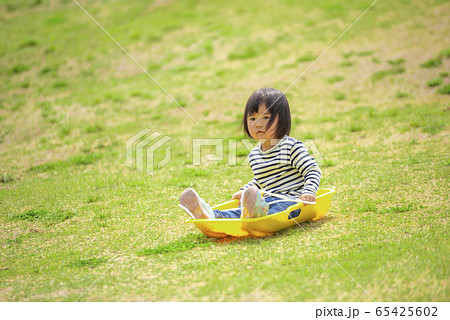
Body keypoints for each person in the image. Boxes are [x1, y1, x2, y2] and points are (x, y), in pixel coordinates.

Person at [179, 87, 322, 219]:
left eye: (265, 117)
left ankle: (257, 213)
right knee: (239, 211)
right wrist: (245, 190)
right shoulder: (255, 155)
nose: (258, 124)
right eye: (252, 118)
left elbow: (312, 170)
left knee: (278, 208)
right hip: (267, 201)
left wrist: (308, 192)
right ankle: (209, 214)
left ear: (283, 119)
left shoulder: (291, 147)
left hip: (292, 202)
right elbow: (260, 180)